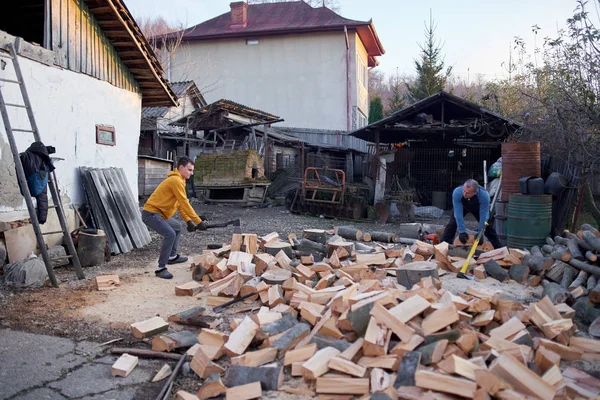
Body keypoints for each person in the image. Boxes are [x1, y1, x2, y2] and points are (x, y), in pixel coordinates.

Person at [142, 156, 207, 279]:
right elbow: (184, 203)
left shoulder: (180, 181)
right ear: (181, 167)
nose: (191, 173)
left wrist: (188, 221)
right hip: (150, 214)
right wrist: (198, 221)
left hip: (159, 214)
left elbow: (180, 205)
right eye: (189, 170)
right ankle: (161, 268)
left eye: (192, 170)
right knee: (170, 234)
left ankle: (171, 257)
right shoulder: (175, 181)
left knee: (177, 227)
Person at [440, 179, 502, 249]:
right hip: (462, 206)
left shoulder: (484, 195)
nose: (465, 194)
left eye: (468, 193)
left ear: (475, 192)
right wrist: (462, 231)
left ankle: (498, 248)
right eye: (464, 191)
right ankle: (443, 246)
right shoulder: (457, 192)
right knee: (452, 223)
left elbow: (484, 216)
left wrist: (480, 233)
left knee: (488, 226)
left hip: (477, 207)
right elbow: (458, 214)